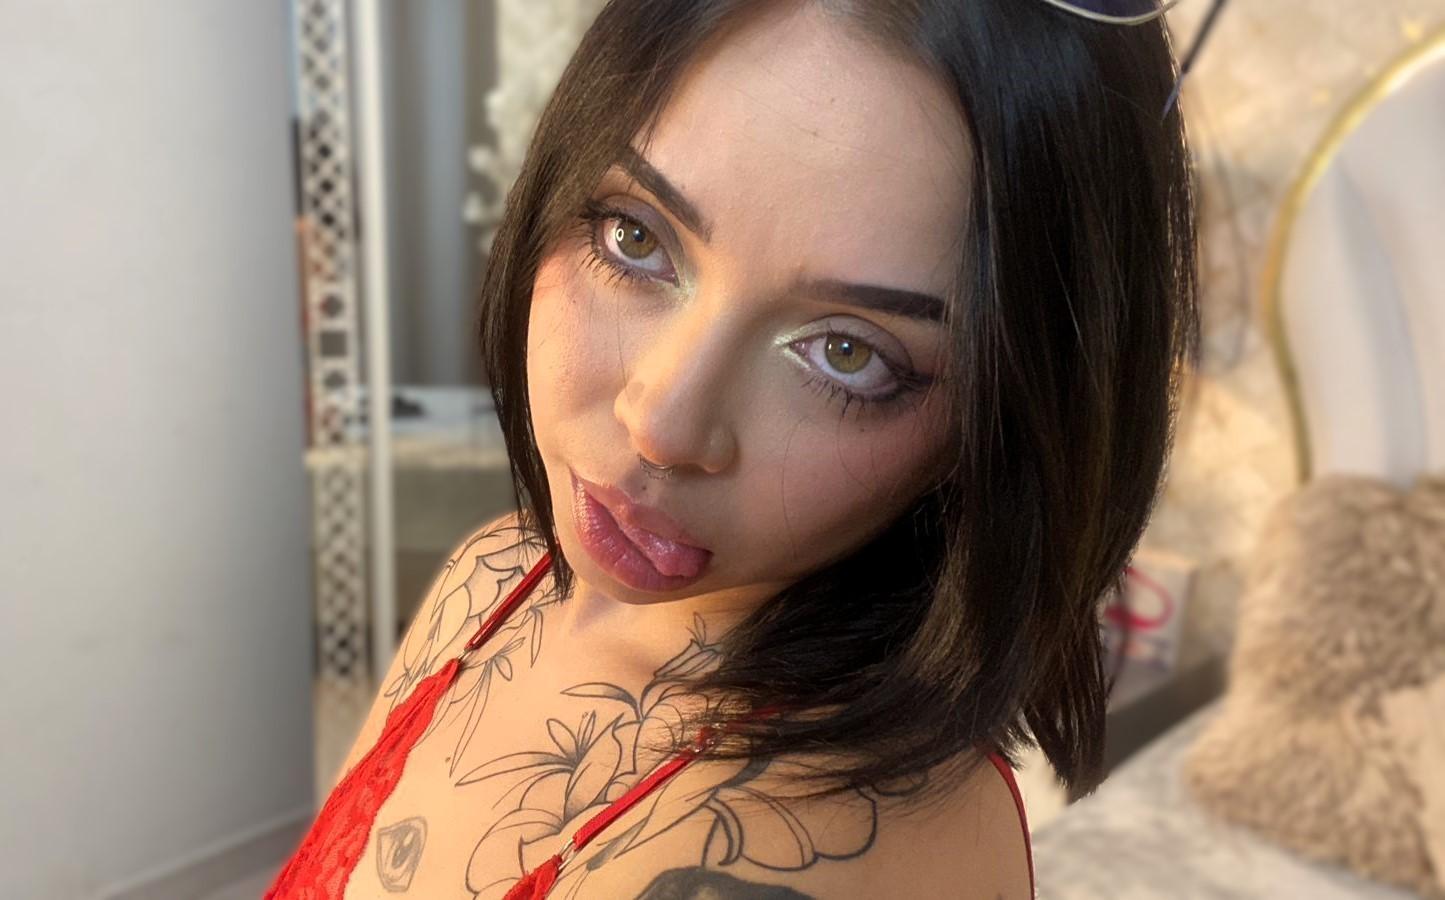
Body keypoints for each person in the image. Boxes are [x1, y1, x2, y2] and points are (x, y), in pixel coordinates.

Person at [268, 0, 1199, 897]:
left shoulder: (815, 846)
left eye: (847, 353)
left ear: (1002, 425)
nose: (663, 426)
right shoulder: (492, 579)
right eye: (634, 238)